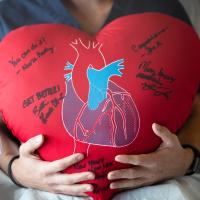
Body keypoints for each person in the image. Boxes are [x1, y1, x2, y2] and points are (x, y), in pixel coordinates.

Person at [0, 0, 199, 199]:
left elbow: (197, 100)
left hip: (161, 181)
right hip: (46, 186)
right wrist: (13, 166)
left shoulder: (162, 7)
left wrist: (187, 158)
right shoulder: (8, 13)